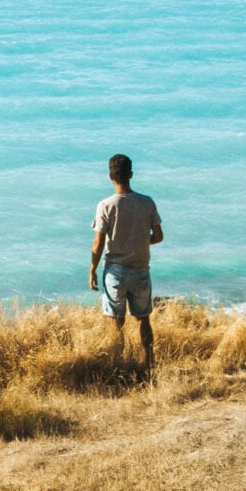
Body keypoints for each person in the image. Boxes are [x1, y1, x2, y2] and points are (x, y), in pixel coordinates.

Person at [88, 153, 164, 369]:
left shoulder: (106, 205)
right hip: (141, 269)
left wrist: (92, 270)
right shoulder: (146, 203)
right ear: (131, 174)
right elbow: (158, 236)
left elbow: (98, 242)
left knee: (116, 321)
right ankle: (148, 365)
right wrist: (138, 242)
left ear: (110, 176)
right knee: (144, 319)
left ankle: (119, 366)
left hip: (115, 271)